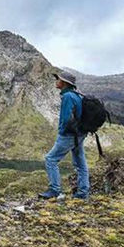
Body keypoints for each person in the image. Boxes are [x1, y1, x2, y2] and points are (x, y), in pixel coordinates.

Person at [38, 70, 90, 200]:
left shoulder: (68, 96)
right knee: (80, 163)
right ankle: (83, 192)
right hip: (79, 134)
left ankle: (55, 190)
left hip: (69, 134)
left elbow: (66, 119)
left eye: (58, 79)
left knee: (50, 159)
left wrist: (61, 132)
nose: (56, 81)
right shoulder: (77, 95)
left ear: (65, 83)